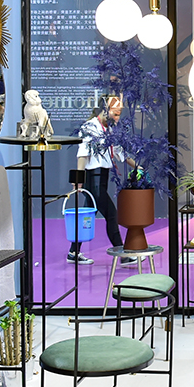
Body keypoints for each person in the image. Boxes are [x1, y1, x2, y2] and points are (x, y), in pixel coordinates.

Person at [68, 96, 136, 265]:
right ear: (105, 110)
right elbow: (82, 155)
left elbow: (120, 153)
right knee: (111, 215)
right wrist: (78, 180)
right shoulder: (89, 127)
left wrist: (138, 166)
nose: (117, 118)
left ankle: (73, 252)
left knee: (87, 216)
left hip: (102, 177)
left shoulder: (110, 129)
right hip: (93, 178)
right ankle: (122, 253)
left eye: (119, 114)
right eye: (115, 114)